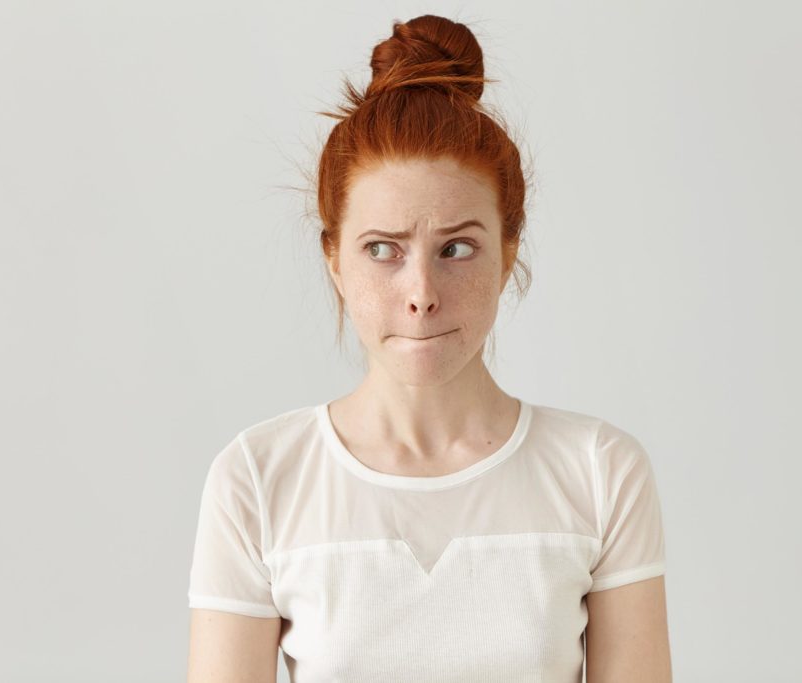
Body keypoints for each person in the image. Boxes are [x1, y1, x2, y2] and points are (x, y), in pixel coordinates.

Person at [186, 14, 671, 683]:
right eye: (382, 249)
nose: (421, 292)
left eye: (456, 248)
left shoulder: (599, 473)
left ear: (508, 255)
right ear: (334, 258)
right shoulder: (257, 481)